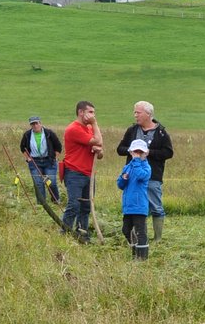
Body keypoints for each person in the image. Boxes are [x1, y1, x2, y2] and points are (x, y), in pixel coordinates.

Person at [115, 101, 174, 241]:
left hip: (153, 175)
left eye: (138, 112)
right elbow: (120, 149)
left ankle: (158, 238)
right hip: (132, 177)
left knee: (156, 207)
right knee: (137, 207)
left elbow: (168, 152)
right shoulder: (132, 131)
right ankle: (139, 237)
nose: (135, 115)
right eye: (135, 112)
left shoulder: (161, 133)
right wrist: (132, 152)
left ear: (148, 114)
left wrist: (149, 153)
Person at [60, 101, 104, 240]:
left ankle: (82, 234)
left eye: (94, 113)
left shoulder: (89, 129)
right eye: (90, 112)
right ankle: (65, 233)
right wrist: (95, 123)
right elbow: (99, 141)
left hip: (89, 173)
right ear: (81, 112)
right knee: (74, 204)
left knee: (86, 205)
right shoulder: (74, 129)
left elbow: (100, 151)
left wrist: (99, 152)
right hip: (75, 172)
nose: (93, 116)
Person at [118, 140, 152, 260]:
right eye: (135, 151)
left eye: (140, 152)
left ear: (146, 153)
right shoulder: (127, 167)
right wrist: (123, 178)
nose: (137, 154)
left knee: (140, 231)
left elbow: (141, 176)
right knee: (126, 229)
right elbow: (120, 185)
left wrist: (137, 162)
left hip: (139, 206)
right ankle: (135, 251)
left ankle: (142, 257)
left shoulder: (146, 167)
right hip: (128, 206)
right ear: (131, 152)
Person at [19, 116, 62, 205]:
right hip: (34, 162)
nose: (35, 125)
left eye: (36, 123)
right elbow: (22, 148)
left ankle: (56, 200)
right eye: (32, 124)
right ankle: (42, 204)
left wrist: (55, 157)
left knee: (51, 183)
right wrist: (28, 158)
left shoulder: (49, 133)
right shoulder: (27, 135)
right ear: (30, 125)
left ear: (40, 123)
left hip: (49, 161)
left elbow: (58, 146)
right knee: (38, 184)